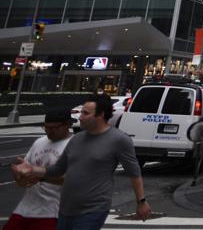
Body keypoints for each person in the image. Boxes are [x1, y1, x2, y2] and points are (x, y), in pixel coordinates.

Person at [13, 94, 151, 229]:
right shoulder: (76, 139)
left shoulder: (119, 139)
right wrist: (32, 170)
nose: (80, 117)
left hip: (93, 210)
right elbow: (57, 170)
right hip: (65, 210)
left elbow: (134, 173)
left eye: (85, 113)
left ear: (100, 115)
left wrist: (141, 201)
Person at [5, 109, 73, 230]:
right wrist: (20, 177)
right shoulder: (39, 142)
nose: (49, 131)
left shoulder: (74, 145)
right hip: (25, 208)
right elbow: (26, 170)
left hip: (53, 211)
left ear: (67, 125)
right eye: (46, 127)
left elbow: (72, 180)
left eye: (54, 128)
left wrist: (39, 177)